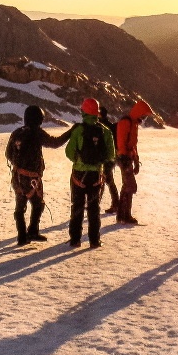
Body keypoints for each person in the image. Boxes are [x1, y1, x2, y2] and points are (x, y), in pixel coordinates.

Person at [4, 105, 73, 246]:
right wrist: (71, 131)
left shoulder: (16, 132)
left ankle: (22, 236)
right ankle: (32, 231)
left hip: (17, 176)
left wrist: (19, 165)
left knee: (20, 205)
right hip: (32, 178)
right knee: (38, 204)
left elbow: (8, 154)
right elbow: (55, 143)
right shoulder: (37, 132)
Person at [64, 97, 116, 249]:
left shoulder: (79, 130)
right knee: (94, 208)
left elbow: (69, 152)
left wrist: (78, 160)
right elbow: (111, 154)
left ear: (83, 111)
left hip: (79, 174)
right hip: (95, 176)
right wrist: (97, 163)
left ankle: (75, 239)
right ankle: (94, 240)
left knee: (77, 206)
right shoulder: (105, 131)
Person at [113, 98, 153, 224]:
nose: (144, 119)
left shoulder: (134, 123)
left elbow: (133, 145)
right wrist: (125, 158)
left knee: (127, 186)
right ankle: (125, 215)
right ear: (139, 113)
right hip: (123, 158)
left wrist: (136, 161)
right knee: (130, 186)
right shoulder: (126, 122)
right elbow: (121, 142)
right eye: (144, 116)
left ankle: (122, 215)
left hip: (127, 158)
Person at [98, 105, 121, 215]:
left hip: (107, 158)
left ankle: (114, 203)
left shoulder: (102, 126)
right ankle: (115, 203)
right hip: (112, 157)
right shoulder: (110, 125)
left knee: (105, 179)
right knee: (106, 179)